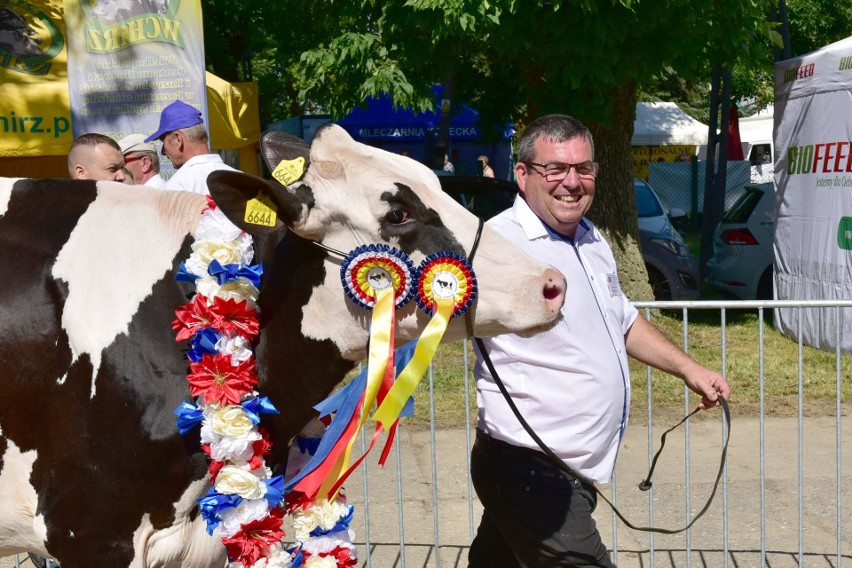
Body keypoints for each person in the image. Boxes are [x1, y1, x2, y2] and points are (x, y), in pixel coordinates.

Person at [469, 114, 731, 568]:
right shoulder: (495, 246)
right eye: (555, 169)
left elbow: (622, 320)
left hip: (575, 469)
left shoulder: (591, 238)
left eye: (583, 168)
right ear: (523, 174)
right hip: (530, 469)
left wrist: (691, 369)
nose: (572, 182)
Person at [144, 100, 236, 195]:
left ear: (178, 139)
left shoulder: (176, 187)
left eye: (164, 142)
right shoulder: (240, 179)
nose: (162, 151)